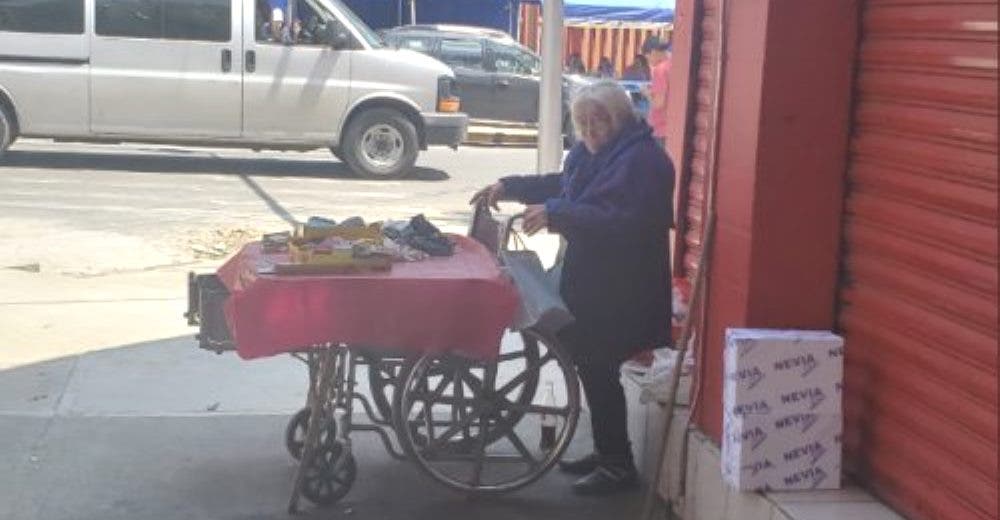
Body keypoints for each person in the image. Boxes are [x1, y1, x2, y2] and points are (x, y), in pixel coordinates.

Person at [470, 81, 674, 496]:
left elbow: (619, 219)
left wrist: (556, 214)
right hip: (594, 277)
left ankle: (617, 465)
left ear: (617, 119)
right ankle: (609, 452)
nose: (590, 131)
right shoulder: (594, 152)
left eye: (598, 122)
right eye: (582, 124)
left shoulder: (645, 162)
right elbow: (562, 185)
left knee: (600, 365)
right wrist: (510, 186)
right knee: (591, 364)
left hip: (624, 284)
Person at [640, 35, 672, 146]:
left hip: (661, 129)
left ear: (653, 52)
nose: (648, 61)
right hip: (674, 127)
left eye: (647, 57)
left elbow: (658, 103)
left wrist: (647, 94)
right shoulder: (676, 65)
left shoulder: (660, 70)